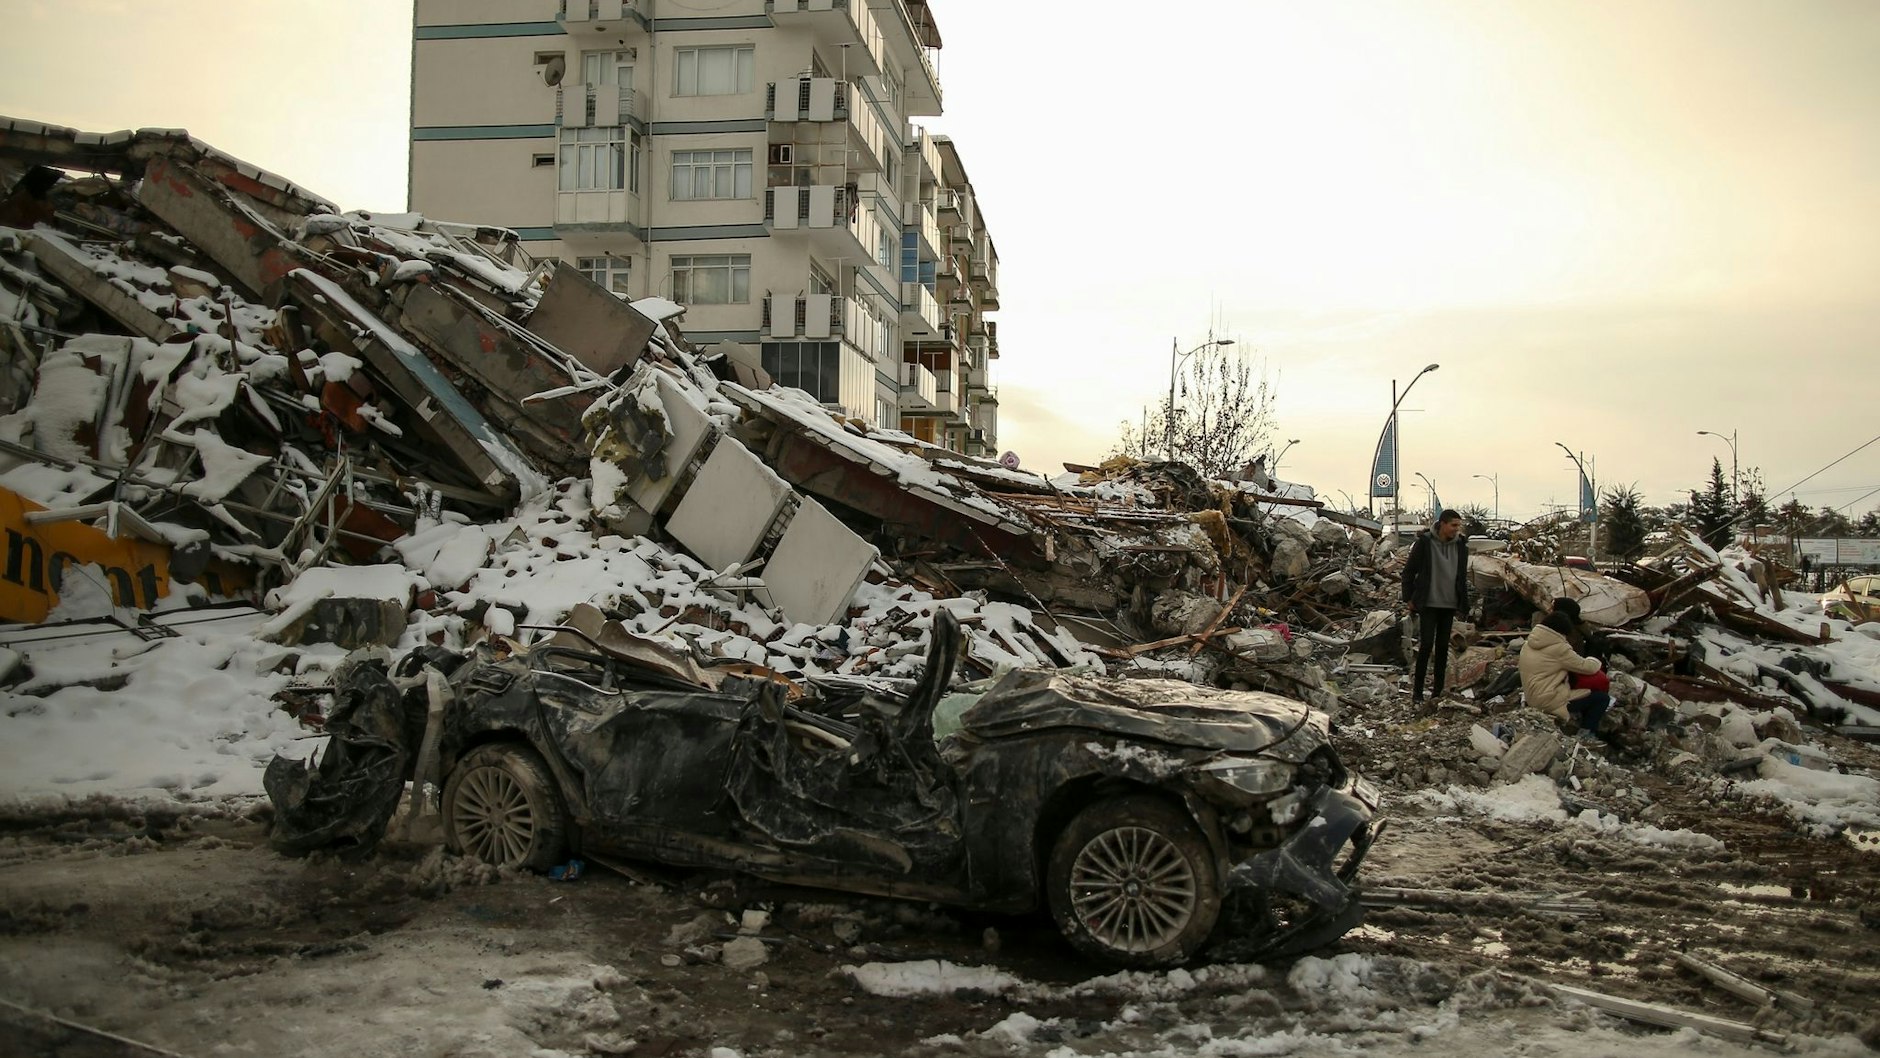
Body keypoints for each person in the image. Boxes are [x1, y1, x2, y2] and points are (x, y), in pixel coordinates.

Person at [1401, 509, 1469, 704]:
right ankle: (1417, 692)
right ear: (1443, 524)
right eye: (1454, 525)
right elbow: (1409, 572)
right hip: (1428, 603)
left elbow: (1462, 577)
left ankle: (1437, 692)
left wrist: (1464, 603)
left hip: (1449, 605)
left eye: (1459, 526)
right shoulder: (1425, 543)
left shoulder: (1461, 547)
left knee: (1442, 648)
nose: (1457, 530)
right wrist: (1409, 597)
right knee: (1426, 646)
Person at [1519, 610, 1610, 742]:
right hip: (1548, 700)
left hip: (1531, 695)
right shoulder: (1559, 648)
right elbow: (1588, 667)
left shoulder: (1528, 643)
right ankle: (1586, 734)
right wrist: (1595, 659)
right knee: (1601, 698)